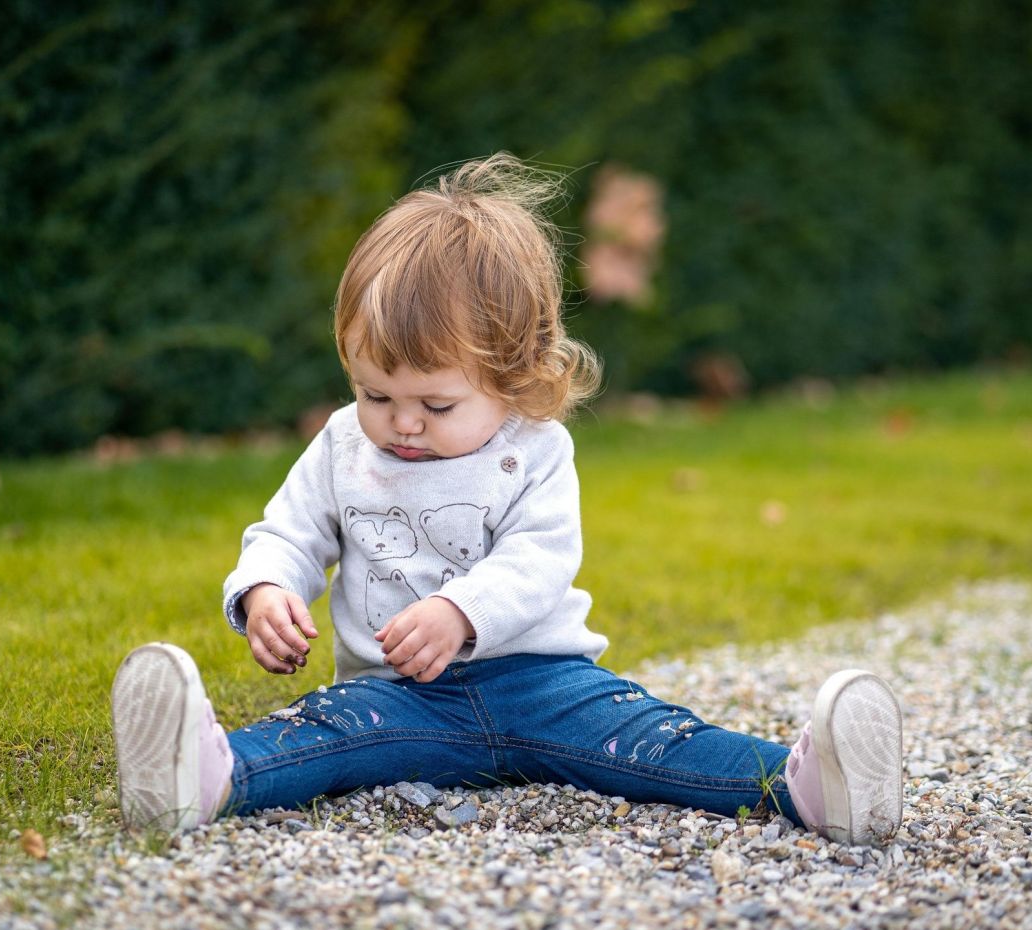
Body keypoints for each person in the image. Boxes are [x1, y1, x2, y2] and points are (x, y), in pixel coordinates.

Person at [110, 153, 903, 847]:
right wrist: (265, 590)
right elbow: (286, 531)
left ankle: (807, 785)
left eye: (438, 404)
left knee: (653, 739)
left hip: (541, 683)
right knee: (324, 732)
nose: (403, 422)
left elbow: (540, 560)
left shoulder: (536, 450)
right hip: (400, 697)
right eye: (374, 392)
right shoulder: (344, 445)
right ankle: (204, 776)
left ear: (512, 373)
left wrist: (459, 612)